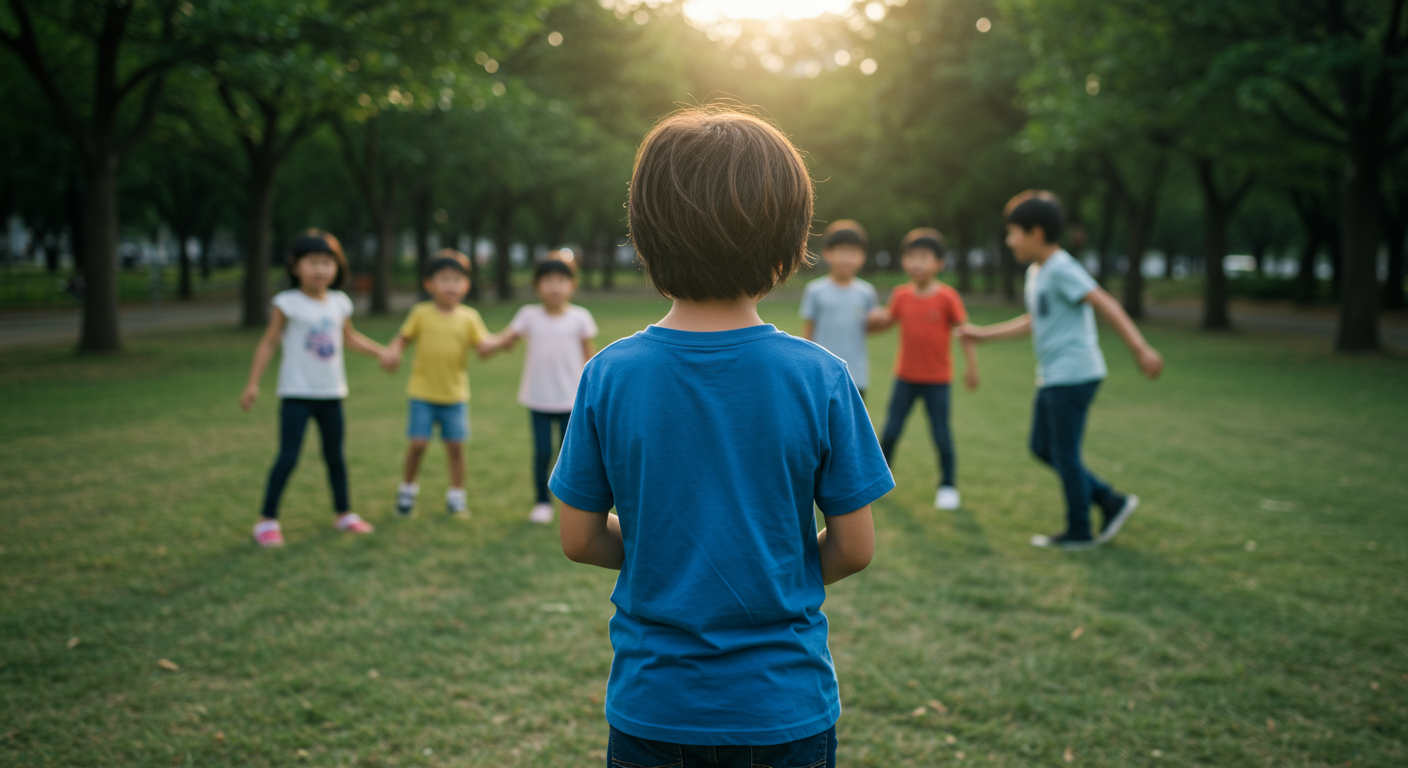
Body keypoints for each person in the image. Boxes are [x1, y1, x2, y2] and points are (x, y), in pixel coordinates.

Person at [550, 106, 893, 768]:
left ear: (645, 235)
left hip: (655, 705)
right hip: (783, 706)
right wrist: (768, 571)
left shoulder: (608, 375)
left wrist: (671, 560)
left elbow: (579, 538)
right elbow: (854, 548)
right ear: (790, 242)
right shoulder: (820, 376)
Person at [959, 191, 1163, 549]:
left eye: (1013, 233)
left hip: (1074, 373)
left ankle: (1080, 529)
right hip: (1054, 374)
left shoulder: (1062, 268)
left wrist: (1139, 348)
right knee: (1042, 447)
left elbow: (1104, 301)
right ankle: (1110, 500)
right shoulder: (1037, 273)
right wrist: (982, 335)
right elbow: (1034, 321)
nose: (1009, 241)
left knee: (1065, 453)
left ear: (1036, 233)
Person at [240, 231, 387, 547]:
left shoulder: (339, 302)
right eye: (313, 262)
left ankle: (344, 514)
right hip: (296, 394)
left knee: (335, 456)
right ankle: (266, 521)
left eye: (327, 263)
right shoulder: (287, 303)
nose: (321, 270)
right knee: (288, 457)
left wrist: (381, 352)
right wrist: (253, 383)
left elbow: (349, 338)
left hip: (331, 393)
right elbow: (269, 342)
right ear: (295, 265)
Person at [478, 258, 598, 525]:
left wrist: (596, 390)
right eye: (548, 281)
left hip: (572, 400)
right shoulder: (528, 316)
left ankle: (573, 503)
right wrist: (488, 346)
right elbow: (505, 339)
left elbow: (590, 359)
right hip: (539, 398)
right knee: (542, 452)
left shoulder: (580, 317)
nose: (554, 287)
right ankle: (542, 503)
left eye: (561, 281)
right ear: (537, 286)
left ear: (572, 285)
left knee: (571, 455)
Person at [868, 228, 979, 511]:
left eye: (923, 257)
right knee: (891, 431)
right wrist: (868, 322)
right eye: (911, 257)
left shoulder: (947, 297)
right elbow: (885, 324)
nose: (916, 263)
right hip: (904, 377)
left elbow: (964, 333)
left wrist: (972, 368)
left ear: (938, 263)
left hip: (937, 381)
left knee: (941, 434)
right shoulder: (901, 295)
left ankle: (948, 486)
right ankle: (879, 480)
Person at [379, 256, 491, 517]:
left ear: (466, 285)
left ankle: (456, 498)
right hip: (422, 394)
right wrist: (392, 353)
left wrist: (502, 342)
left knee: (455, 448)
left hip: (455, 395)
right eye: (444, 279)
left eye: (457, 280)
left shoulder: (469, 317)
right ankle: (406, 492)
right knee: (418, 445)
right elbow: (402, 338)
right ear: (429, 284)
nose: (451, 286)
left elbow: (483, 348)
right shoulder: (420, 313)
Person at [800, 220, 880, 397]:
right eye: (842, 252)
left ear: (862, 256)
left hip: (855, 375)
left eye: (853, 253)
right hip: (821, 372)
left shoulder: (866, 292)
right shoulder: (815, 290)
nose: (847, 259)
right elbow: (808, 332)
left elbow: (871, 327)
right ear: (828, 254)